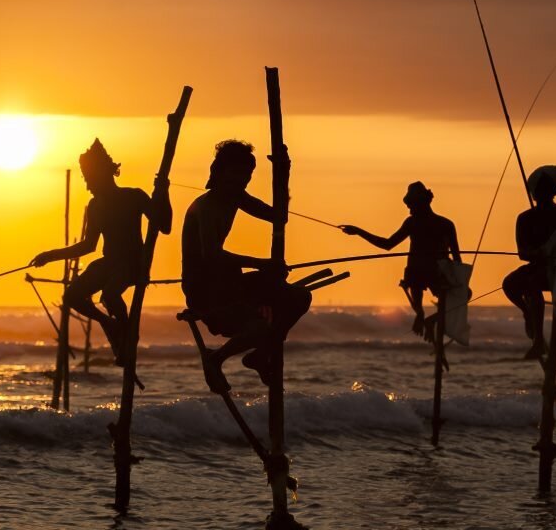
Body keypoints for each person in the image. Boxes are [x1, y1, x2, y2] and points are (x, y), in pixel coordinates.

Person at [181, 139, 311, 393]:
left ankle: (261, 355)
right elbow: (211, 255)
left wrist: (283, 172)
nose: (243, 180)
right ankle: (216, 359)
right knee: (259, 326)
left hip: (230, 283)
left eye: (247, 174)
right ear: (218, 171)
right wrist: (262, 264)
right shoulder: (205, 207)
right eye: (237, 173)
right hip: (205, 291)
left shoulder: (236, 197)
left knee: (299, 297)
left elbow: (279, 217)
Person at [30, 138, 172, 365]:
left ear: (105, 173)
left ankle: (126, 338)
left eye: (89, 178)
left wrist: (163, 193)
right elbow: (88, 246)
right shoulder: (94, 206)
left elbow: (164, 226)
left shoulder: (133, 196)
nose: (87, 185)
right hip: (108, 262)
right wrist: (50, 255)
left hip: (133, 263)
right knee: (72, 296)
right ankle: (110, 324)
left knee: (110, 294)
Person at [340, 181, 463, 338]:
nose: (410, 210)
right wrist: (358, 231)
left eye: (411, 206)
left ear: (421, 203)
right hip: (420, 275)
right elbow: (457, 260)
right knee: (456, 292)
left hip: (432, 275)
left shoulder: (436, 224)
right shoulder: (440, 224)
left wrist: (358, 231)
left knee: (456, 290)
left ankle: (425, 316)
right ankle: (424, 314)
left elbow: (387, 244)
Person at [502, 165, 556, 360]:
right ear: (534, 194)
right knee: (508, 284)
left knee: (532, 284)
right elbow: (522, 253)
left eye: (545, 191)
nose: (541, 195)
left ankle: (539, 342)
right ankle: (528, 314)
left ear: (552, 192)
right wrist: (539, 252)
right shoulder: (525, 218)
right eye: (538, 192)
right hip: (536, 267)